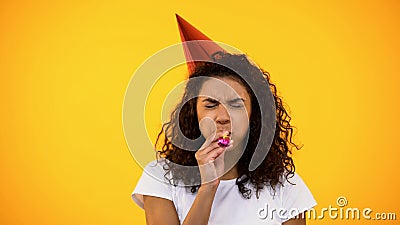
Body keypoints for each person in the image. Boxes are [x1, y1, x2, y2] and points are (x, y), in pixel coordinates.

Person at [131, 51, 317, 225]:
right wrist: (208, 187)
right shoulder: (160, 176)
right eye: (210, 105)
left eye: (236, 105)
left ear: (254, 114)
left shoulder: (284, 184)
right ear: (193, 113)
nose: (223, 117)